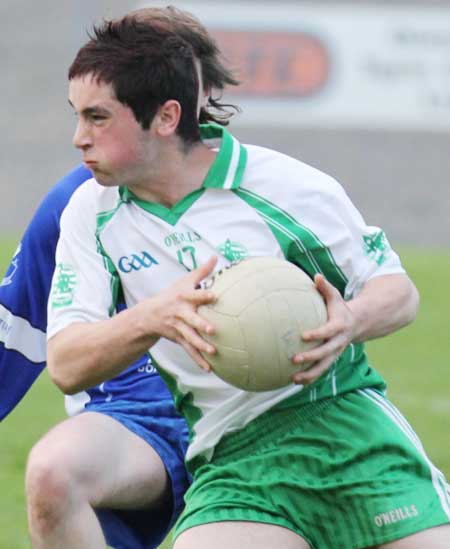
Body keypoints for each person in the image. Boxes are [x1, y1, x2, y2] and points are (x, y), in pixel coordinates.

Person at [46, 13, 450, 549]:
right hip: (234, 457)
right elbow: (67, 365)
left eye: (98, 118)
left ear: (166, 117)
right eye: (77, 116)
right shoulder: (89, 215)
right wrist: (151, 317)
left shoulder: (286, 187)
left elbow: (398, 292)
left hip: (346, 429)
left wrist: (349, 321)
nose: (79, 138)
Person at [0, 7, 239, 549]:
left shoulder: (264, 188)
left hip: (251, 418)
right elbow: (15, 332)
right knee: (56, 480)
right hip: (133, 427)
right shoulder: (77, 204)